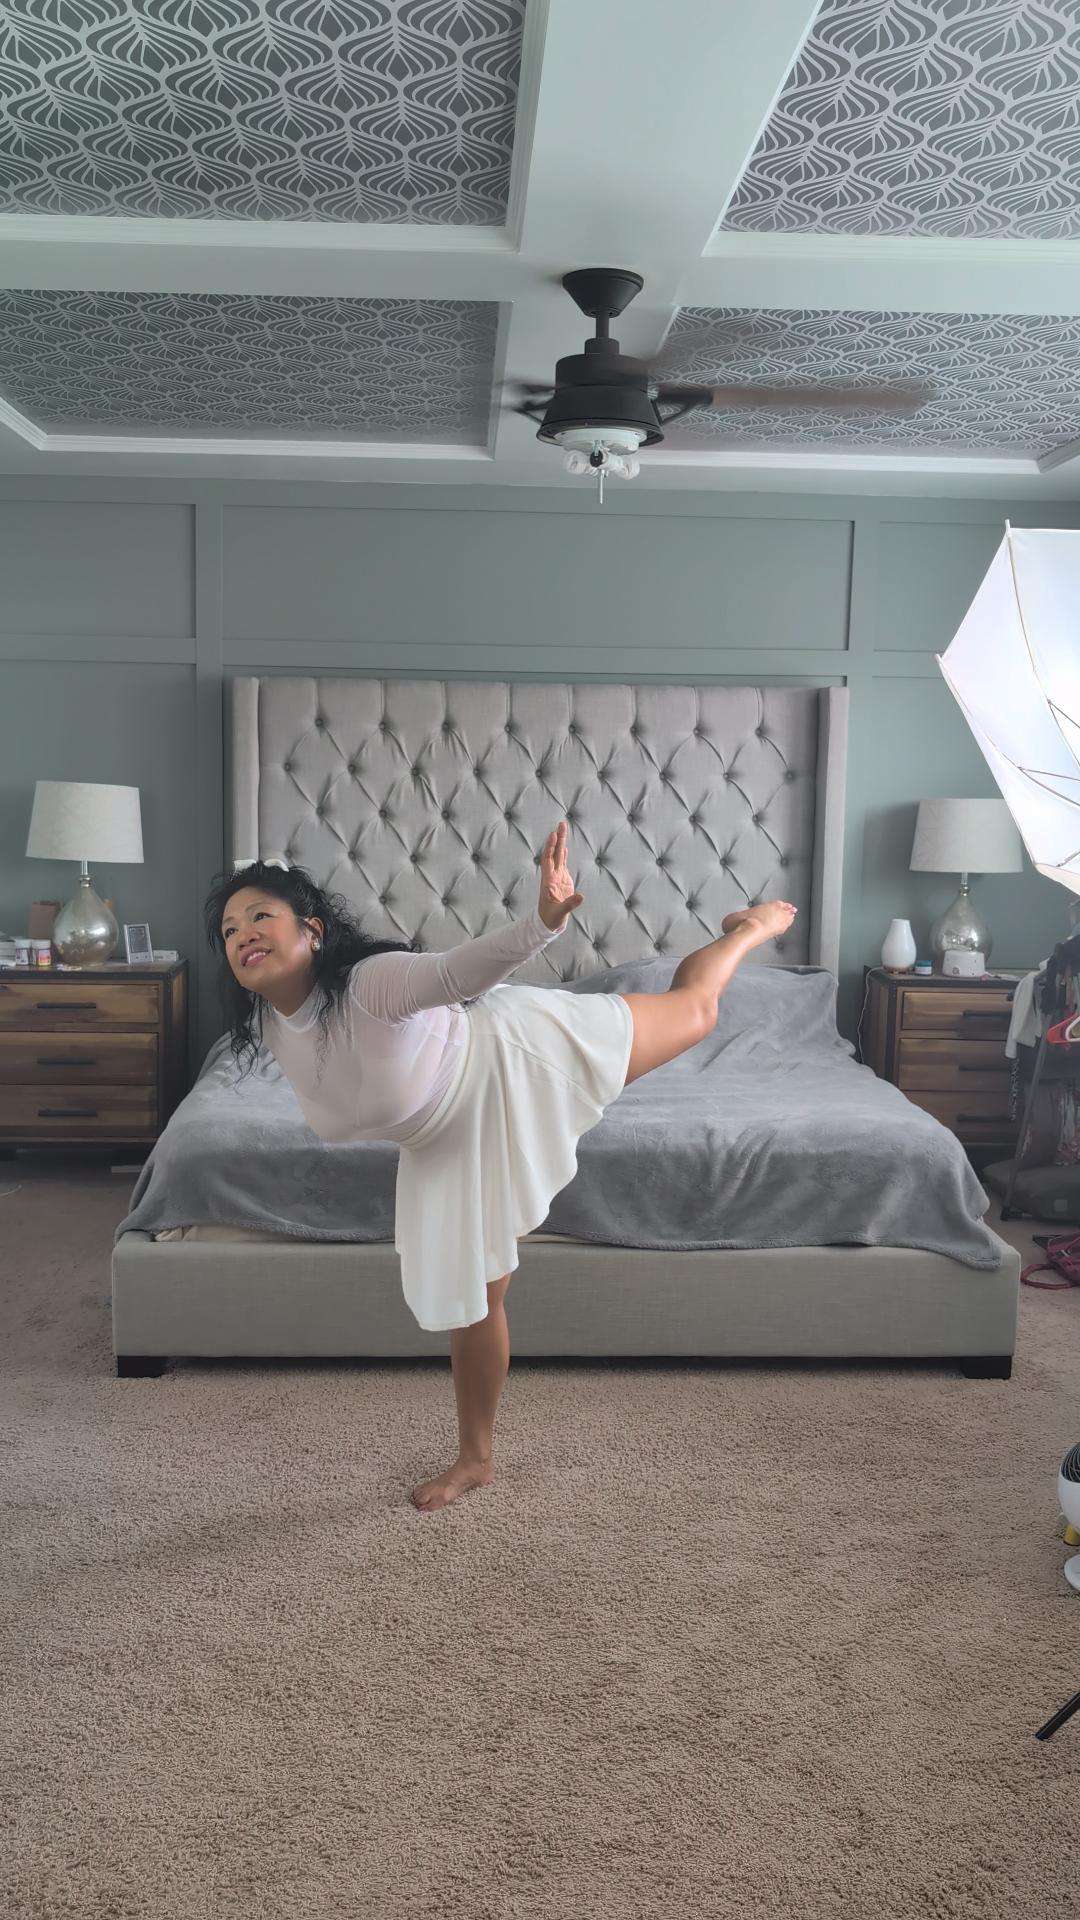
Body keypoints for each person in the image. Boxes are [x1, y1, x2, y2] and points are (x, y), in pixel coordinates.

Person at [206, 824, 796, 1512]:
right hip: (442, 1136)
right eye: (227, 929)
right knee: (478, 1296)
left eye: (260, 916)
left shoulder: (369, 983)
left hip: (510, 1058)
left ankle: (747, 930)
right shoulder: (274, 1028)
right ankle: (475, 1459)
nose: (242, 932)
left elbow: (457, 972)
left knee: (694, 1011)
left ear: (311, 931)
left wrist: (540, 923)